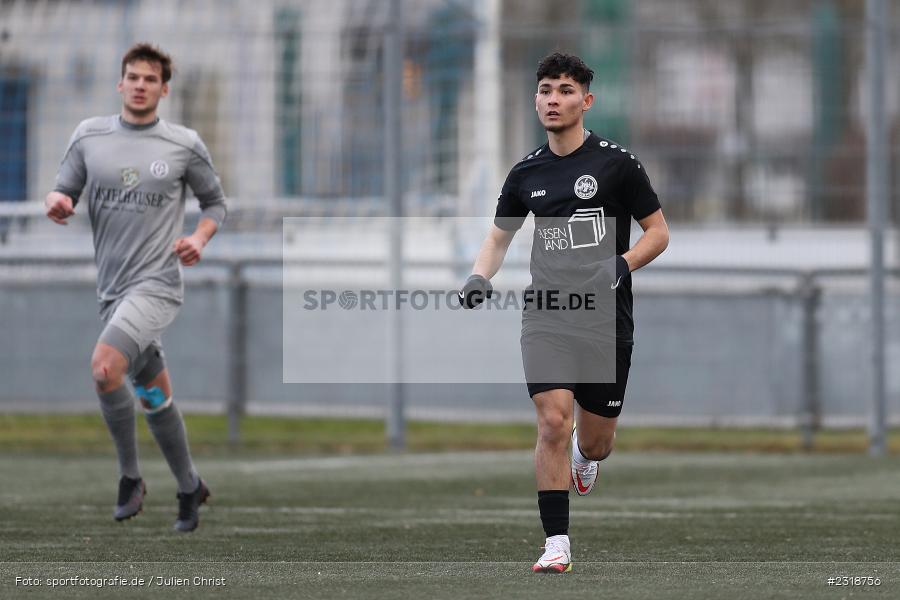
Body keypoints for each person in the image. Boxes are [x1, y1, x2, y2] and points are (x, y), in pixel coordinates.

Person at [460, 52, 669, 572]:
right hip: (547, 315)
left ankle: (584, 457)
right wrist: (479, 276)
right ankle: (557, 544)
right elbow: (498, 237)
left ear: (586, 101)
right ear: (536, 100)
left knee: (596, 442)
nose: (553, 99)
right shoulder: (526, 171)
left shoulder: (617, 164)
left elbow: (659, 233)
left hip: (605, 321)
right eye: (546, 90)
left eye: (565, 91)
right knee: (553, 421)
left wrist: (621, 265)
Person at [45, 43, 227, 532]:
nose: (140, 85)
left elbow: (215, 204)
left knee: (105, 369)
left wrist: (198, 238)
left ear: (164, 89)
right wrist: (58, 201)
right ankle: (190, 486)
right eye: (133, 77)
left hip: (158, 286)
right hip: (113, 291)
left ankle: (130, 477)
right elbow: (63, 189)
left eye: (150, 79)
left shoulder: (184, 144)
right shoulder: (89, 136)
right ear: (120, 83)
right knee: (152, 395)